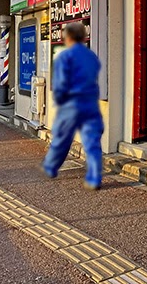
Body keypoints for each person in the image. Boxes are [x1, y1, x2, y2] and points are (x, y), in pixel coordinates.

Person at [42, 22, 104, 190]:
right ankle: (94, 177)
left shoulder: (65, 56)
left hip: (71, 103)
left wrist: (60, 100)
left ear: (67, 37)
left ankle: (51, 166)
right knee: (92, 141)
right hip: (90, 103)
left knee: (62, 138)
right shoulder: (91, 56)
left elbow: (61, 83)